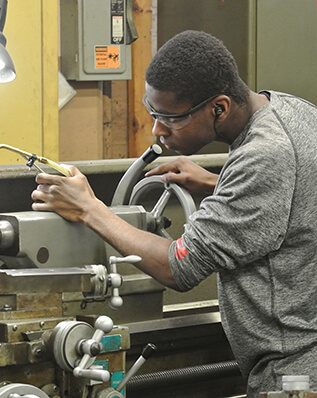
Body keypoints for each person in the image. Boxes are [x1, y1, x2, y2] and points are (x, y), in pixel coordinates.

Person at [31, 30, 317, 397]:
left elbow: (179, 267)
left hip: (294, 374)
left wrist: (89, 208)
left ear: (219, 108)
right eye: (152, 113)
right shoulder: (292, 111)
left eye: (171, 118)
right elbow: (295, 194)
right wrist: (220, 184)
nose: (157, 130)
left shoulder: (263, 155)